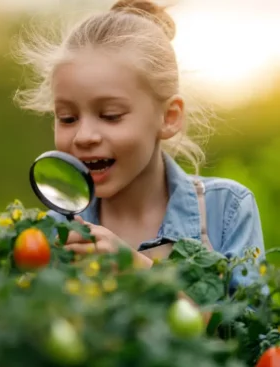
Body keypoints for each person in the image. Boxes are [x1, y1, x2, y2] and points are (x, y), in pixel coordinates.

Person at [13, 0, 265, 298]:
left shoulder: (225, 211)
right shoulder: (51, 233)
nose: (84, 136)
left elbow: (251, 338)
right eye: (67, 118)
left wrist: (138, 273)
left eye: (110, 116)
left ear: (169, 118)